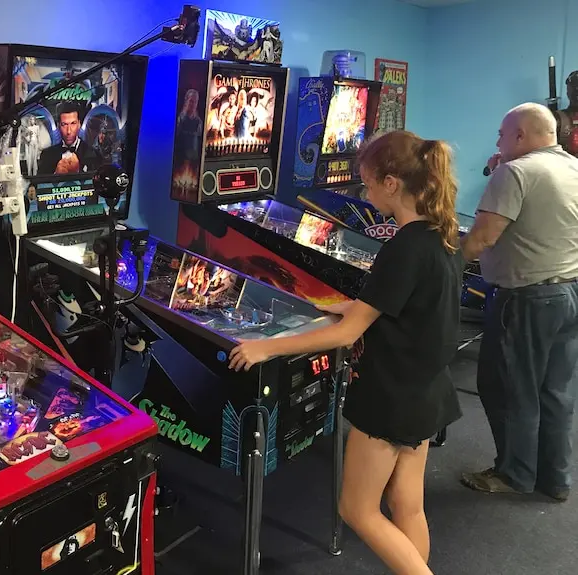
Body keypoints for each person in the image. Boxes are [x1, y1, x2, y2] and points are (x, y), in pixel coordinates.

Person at [229, 130, 463, 575]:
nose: (365, 193)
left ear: (392, 183)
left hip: (391, 398)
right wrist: (344, 305)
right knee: (406, 506)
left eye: (368, 183)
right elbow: (402, 304)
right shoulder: (440, 235)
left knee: (358, 510)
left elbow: (344, 336)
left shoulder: (403, 247)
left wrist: (265, 347)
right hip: (427, 391)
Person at [460, 102, 578, 501]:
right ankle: (555, 478)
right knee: (555, 391)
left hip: (528, 298)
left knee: (508, 387)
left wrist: (438, 267)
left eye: (501, 133)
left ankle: (513, 474)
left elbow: (481, 239)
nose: (496, 140)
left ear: (521, 136)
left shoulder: (517, 171)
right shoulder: (571, 166)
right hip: (569, 292)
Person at [37, 102, 97, 175]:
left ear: (79, 124)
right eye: (64, 124)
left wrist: (78, 171)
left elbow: (96, 183)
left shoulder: (93, 154)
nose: (69, 131)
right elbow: (40, 184)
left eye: (73, 123)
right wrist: (56, 174)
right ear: (58, 126)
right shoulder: (47, 155)